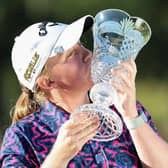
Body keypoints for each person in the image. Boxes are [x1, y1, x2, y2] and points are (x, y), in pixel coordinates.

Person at [0, 14, 167, 168]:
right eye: (71, 54)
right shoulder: (22, 136)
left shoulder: (123, 108)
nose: (88, 54)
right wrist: (59, 157)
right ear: (48, 82)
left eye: (81, 45)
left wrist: (131, 115)